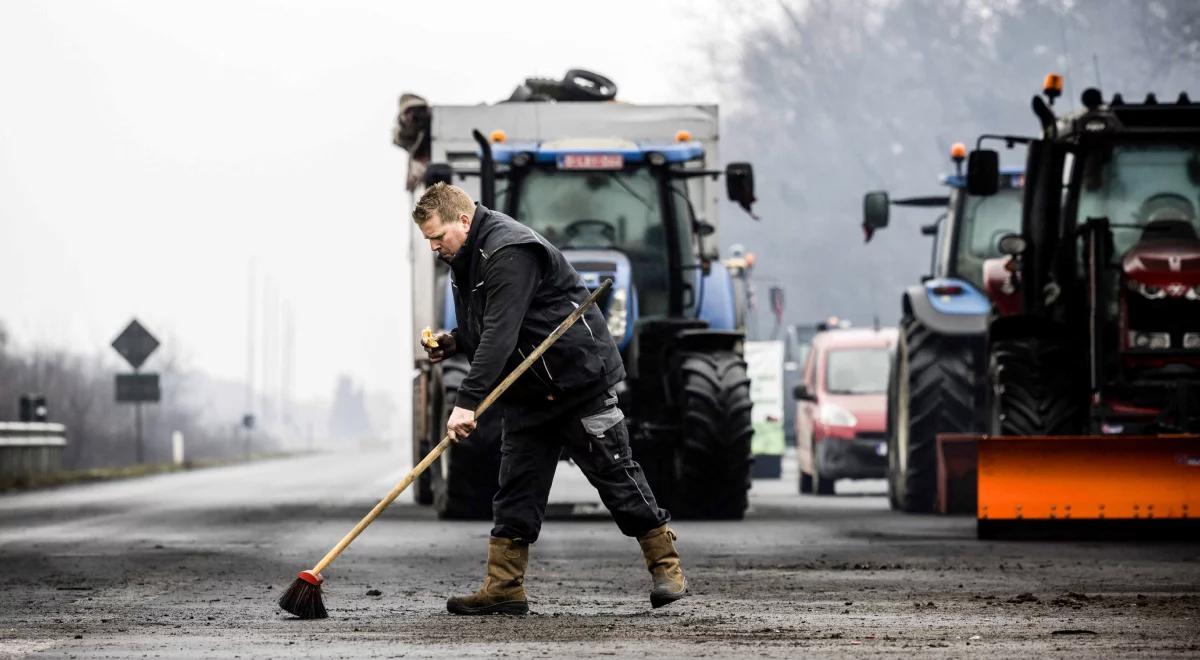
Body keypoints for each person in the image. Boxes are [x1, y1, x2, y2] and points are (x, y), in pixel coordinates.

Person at [413, 182, 688, 615]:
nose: (433, 247)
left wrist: (466, 402)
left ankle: (666, 568)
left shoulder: (509, 251)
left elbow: (501, 335)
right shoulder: (463, 258)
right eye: (427, 240)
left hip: (577, 383)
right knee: (516, 489)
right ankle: (503, 587)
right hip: (528, 392)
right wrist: (453, 341)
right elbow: (486, 328)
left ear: (464, 222)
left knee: (616, 475)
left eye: (437, 237)